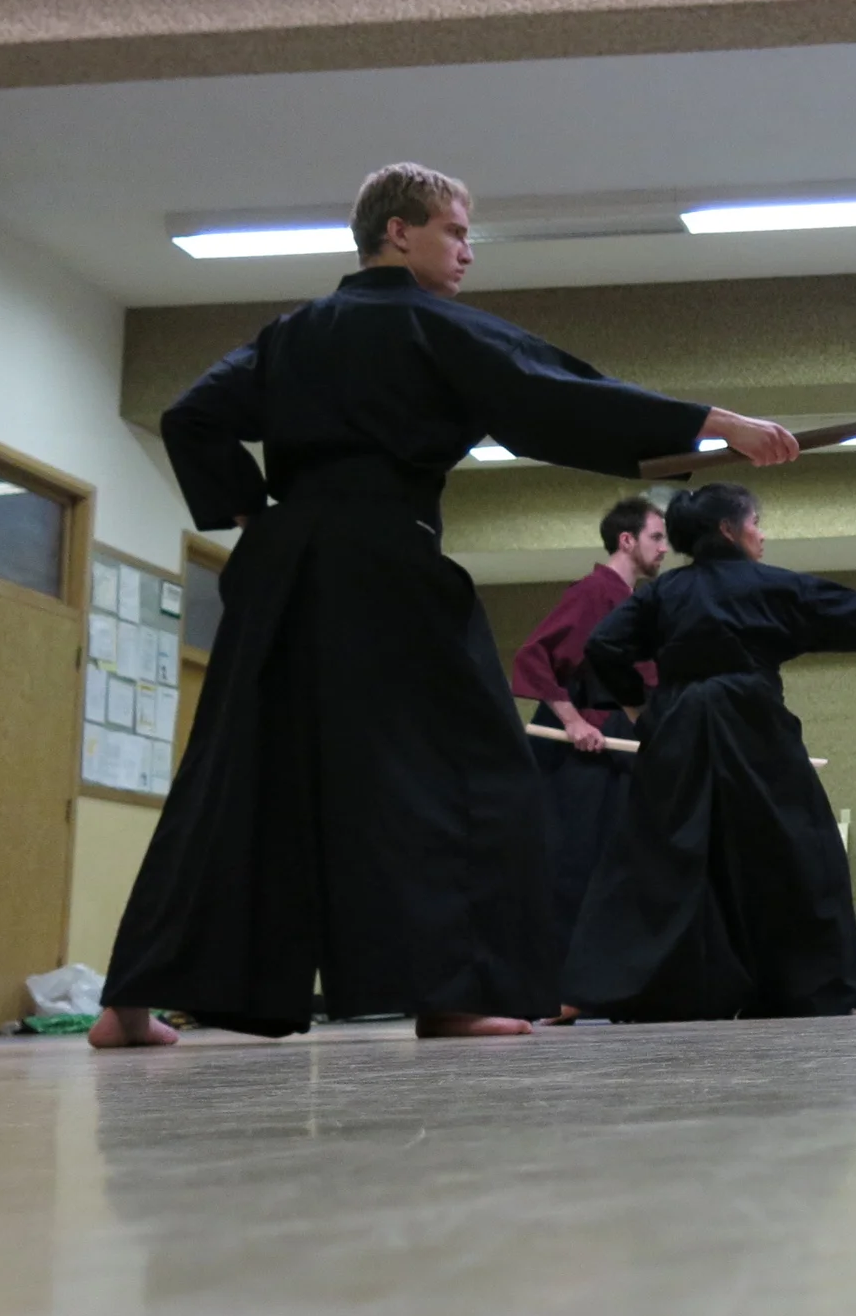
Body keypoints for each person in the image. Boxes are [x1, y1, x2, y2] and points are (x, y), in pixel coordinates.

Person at [91, 164, 800, 1048]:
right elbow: (561, 393)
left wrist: (254, 516)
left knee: (236, 772)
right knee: (467, 770)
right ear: (398, 232)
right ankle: (450, 994)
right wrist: (717, 420)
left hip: (282, 568)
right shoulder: (432, 325)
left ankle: (128, 1004)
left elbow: (191, 415)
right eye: (455, 231)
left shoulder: (291, 333)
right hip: (387, 565)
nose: (467, 250)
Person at [566, 484, 856, 1020]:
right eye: (755, 522)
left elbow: (603, 646)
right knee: (796, 849)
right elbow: (849, 610)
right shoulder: (768, 586)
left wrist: (640, 708)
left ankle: (669, 992)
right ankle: (801, 989)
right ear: (728, 530)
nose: (762, 533)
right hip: (750, 725)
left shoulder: (665, 593)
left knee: (670, 857)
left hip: (675, 729)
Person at [511, 496, 670, 982]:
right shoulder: (593, 592)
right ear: (628, 540)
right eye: (657, 537)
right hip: (581, 753)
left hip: (622, 747)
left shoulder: (635, 604)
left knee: (620, 865)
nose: (665, 548)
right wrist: (572, 722)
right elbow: (535, 657)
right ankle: (558, 984)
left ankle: (601, 982)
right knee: (573, 865)